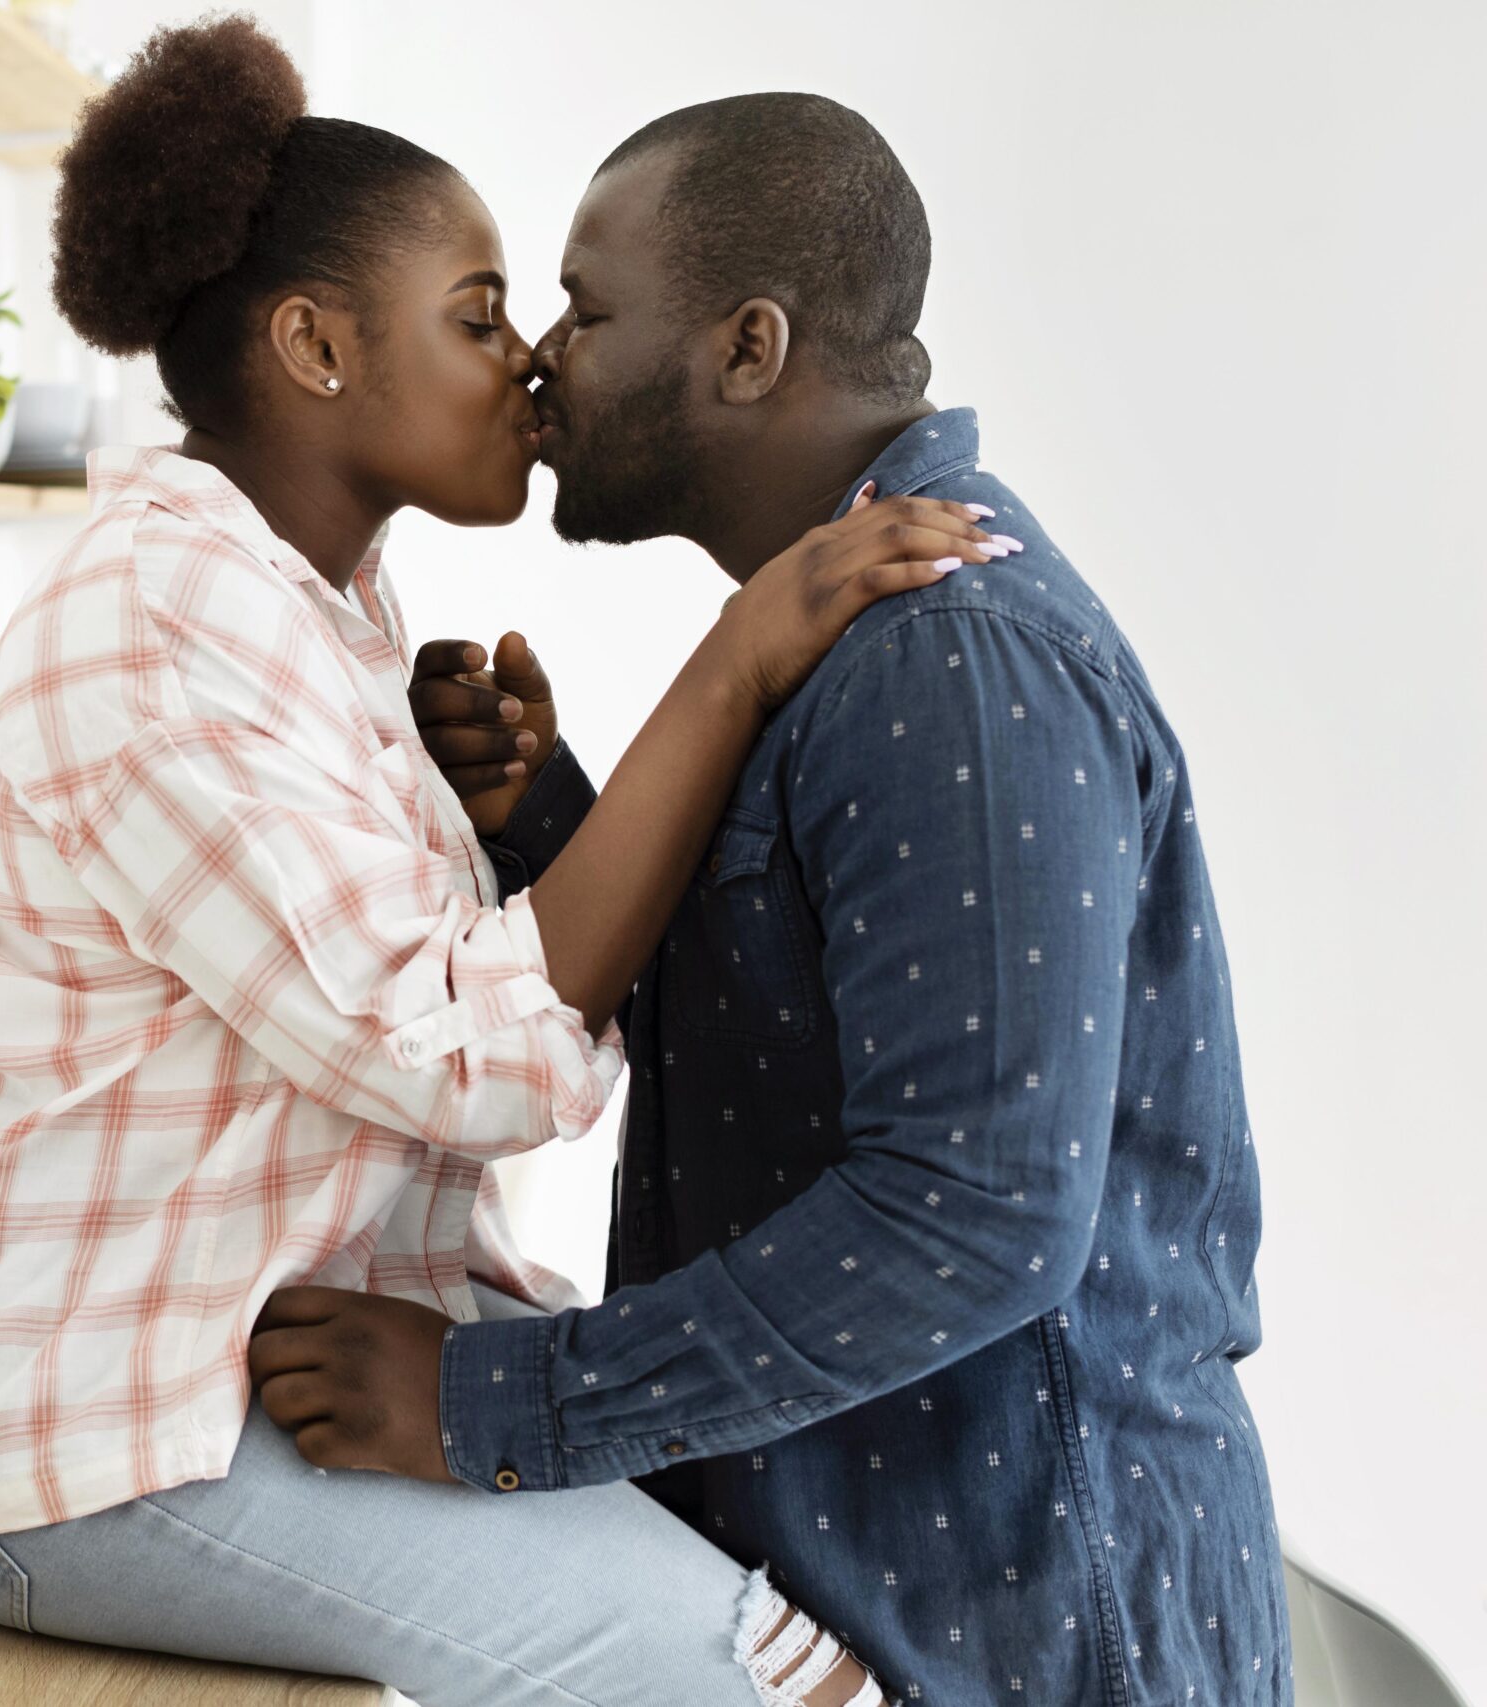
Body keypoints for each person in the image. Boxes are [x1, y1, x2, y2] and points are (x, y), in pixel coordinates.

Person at [0, 21, 1013, 1707]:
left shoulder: (314, 611)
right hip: (67, 1439)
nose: (532, 361)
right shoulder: (163, 640)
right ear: (316, 346)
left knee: (761, 1531)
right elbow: (465, 1058)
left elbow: (430, 991)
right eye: (479, 315)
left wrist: (518, 810)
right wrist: (737, 660)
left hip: (213, 1372)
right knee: (772, 1681)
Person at [252, 94, 1290, 1705]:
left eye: (588, 313)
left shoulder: (949, 652)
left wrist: (488, 1403)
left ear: (747, 350)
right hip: (903, 1589)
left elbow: (975, 1216)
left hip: (1024, 1628)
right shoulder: (842, 633)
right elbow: (807, 1045)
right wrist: (554, 827)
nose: (543, 360)